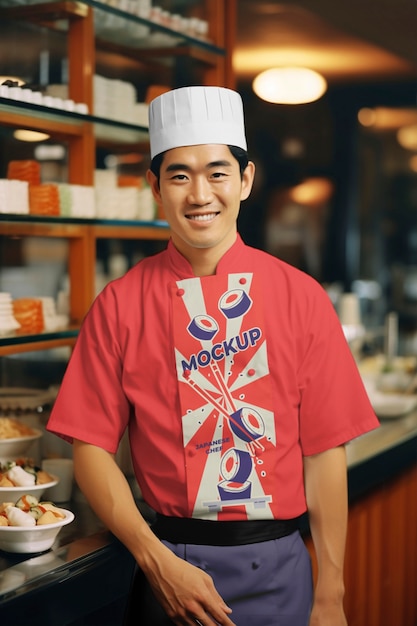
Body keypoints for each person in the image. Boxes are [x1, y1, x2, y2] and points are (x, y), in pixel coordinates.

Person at [47, 85, 379, 626]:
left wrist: (332, 592)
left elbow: (324, 454)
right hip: (169, 567)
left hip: (281, 571)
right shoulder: (120, 303)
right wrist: (154, 561)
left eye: (218, 172)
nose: (200, 194)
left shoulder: (302, 297)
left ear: (246, 180)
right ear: (155, 186)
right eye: (179, 175)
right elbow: (90, 447)